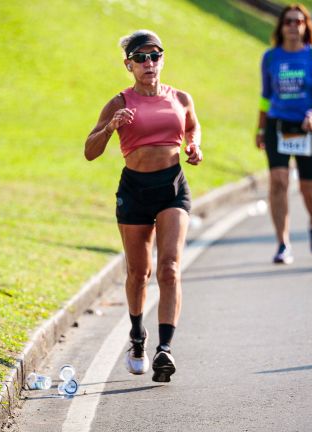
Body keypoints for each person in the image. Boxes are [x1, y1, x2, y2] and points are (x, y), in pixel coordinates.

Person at [84, 30, 202, 382]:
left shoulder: (180, 98)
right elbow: (90, 151)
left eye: (155, 56)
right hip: (134, 190)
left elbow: (193, 127)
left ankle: (165, 349)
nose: (149, 63)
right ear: (129, 65)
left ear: (162, 60)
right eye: (141, 57)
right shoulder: (119, 103)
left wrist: (194, 147)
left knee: (169, 268)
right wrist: (110, 128)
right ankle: (138, 336)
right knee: (139, 273)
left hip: (172, 187)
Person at [255, 4, 312, 265]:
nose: (292, 26)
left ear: (305, 26)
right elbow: (266, 97)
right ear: (281, 26)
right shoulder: (271, 57)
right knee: (278, 181)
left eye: (298, 21)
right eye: (288, 21)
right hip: (278, 124)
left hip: (307, 127)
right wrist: (260, 128)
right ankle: (282, 243)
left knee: (309, 187)